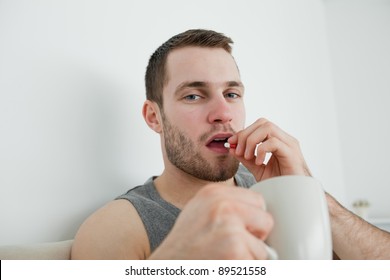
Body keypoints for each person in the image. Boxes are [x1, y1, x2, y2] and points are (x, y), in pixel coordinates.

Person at [70, 29, 388, 260]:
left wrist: (309, 193)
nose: (223, 114)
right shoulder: (118, 227)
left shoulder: (277, 193)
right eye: (194, 95)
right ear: (154, 117)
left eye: (232, 94)